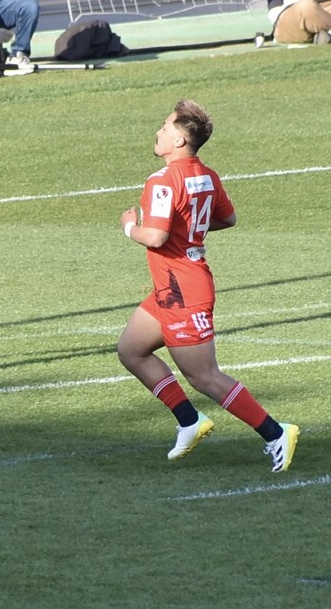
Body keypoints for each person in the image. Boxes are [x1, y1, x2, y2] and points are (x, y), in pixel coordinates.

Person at [116, 100, 300, 472]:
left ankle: (276, 432)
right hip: (172, 288)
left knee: (204, 376)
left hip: (183, 291)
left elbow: (155, 237)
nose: (159, 132)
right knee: (132, 350)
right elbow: (228, 219)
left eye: (165, 127)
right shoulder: (207, 175)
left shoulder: (162, 180)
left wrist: (129, 226)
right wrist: (188, 229)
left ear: (180, 140)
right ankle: (189, 421)